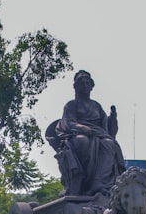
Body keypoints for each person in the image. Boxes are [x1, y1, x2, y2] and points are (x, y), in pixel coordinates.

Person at [45, 70, 126, 201]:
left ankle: (99, 183)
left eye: (88, 83)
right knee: (82, 142)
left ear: (92, 86)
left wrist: (113, 118)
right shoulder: (71, 105)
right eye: (82, 83)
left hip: (98, 134)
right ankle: (81, 181)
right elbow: (68, 122)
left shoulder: (96, 106)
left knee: (109, 144)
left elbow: (107, 127)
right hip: (76, 134)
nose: (85, 86)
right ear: (76, 86)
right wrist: (82, 127)